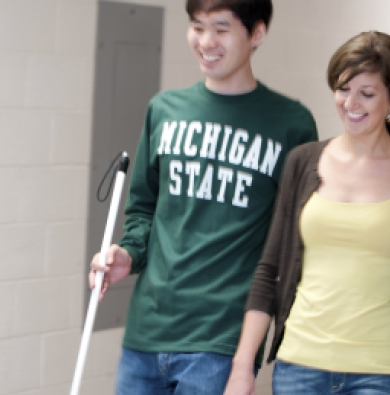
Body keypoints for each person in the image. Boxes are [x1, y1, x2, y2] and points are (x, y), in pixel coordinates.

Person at [89, 0, 318, 394]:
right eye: (197, 26)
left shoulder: (292, 124)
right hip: (146, 333)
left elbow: (293, 244)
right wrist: (126, 255)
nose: (206, 41)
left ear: (257, 33)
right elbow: (143, 209)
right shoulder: (163, 110)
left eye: (222, 28)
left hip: (220, 342)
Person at [223, 30, 390, 395]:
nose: (351, 104)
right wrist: (241, 368)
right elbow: (270, 271)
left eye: (367, 93)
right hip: (300, 366)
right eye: (344, 89)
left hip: (379, 371)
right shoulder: (304, 162)